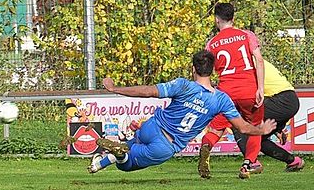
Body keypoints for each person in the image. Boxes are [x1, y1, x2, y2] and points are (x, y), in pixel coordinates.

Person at [86, 50, 276, 175]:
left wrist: (116, 89)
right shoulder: (221, 99)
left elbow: (148, 91)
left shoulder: (182, 85)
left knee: (130, 144)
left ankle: (99, 163)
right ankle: (116, 155)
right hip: (166, 145)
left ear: (193, 69)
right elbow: (242, 128)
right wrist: (262, 130)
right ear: (213, 71)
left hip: (152, 126)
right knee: (125, 164)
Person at [198, 2, 266, 179]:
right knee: (256, 127)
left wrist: (206, 91)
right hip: (248, 90)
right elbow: (258, 60)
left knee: (216, 129)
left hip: (225, 93)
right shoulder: (246, 35)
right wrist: (260, 88)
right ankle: (247, 165)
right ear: (233, 18)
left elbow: (201, 68)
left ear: (216, 20)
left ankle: (207, 147)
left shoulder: (212, 43)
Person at [232, 58, 305, 172]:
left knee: (239, 125)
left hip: (280, 100)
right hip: (290, 100)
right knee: (258, 139)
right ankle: (293, 161)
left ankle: (252, 163)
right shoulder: (253, 60)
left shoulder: (247, 64)